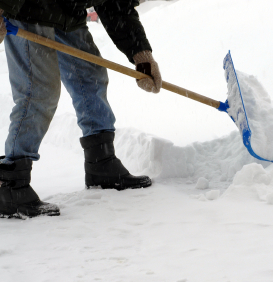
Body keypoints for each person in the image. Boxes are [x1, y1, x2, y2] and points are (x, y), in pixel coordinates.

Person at [0, 0, 162, 219]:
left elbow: (116, 5)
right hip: (27, 9)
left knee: (91, 77)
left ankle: (101, 163)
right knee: (38, 90)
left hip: (67, 13)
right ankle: (11, 184)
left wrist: (140, 53)